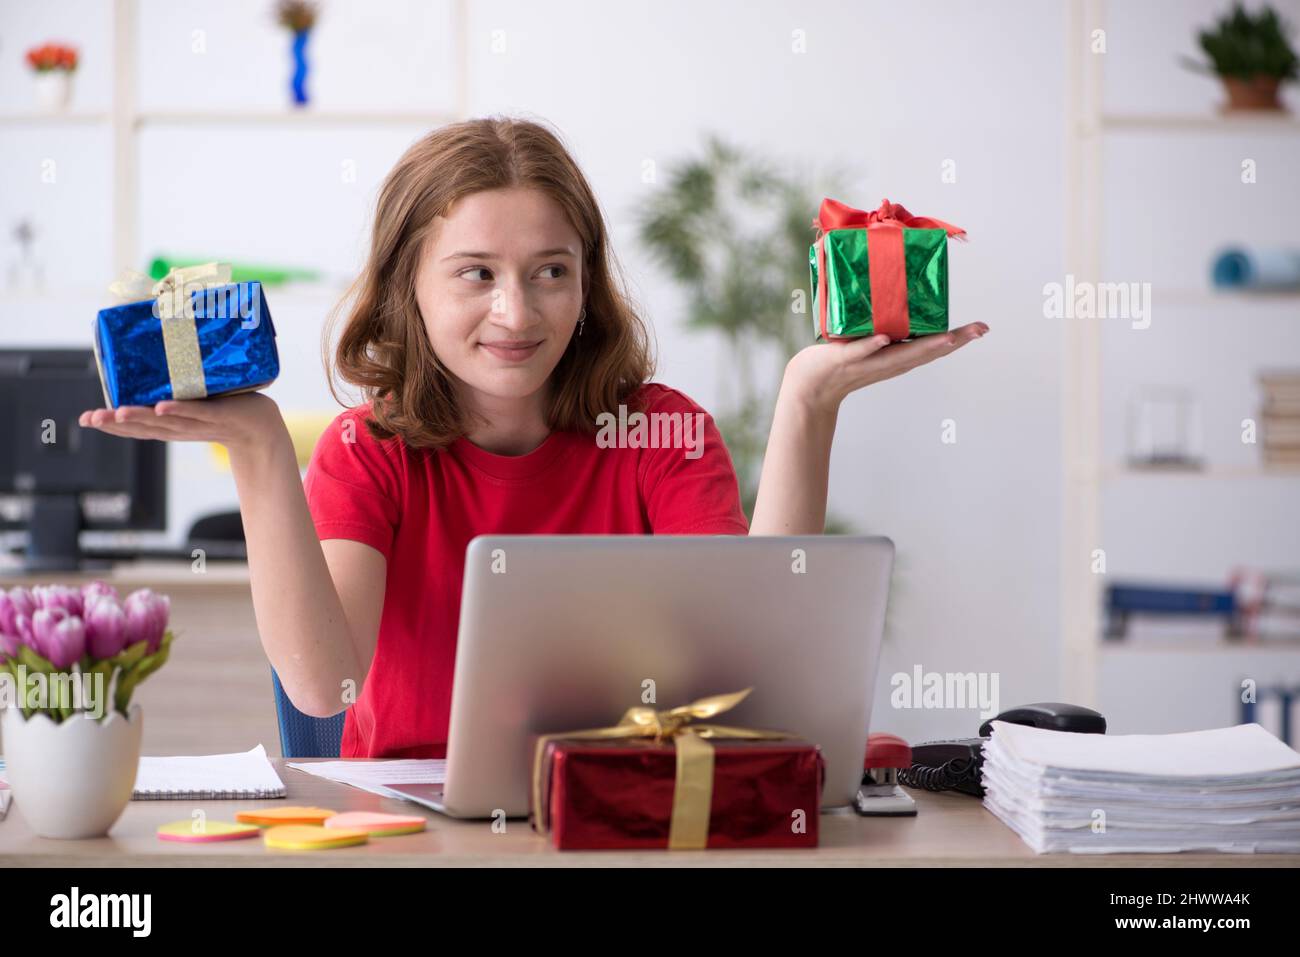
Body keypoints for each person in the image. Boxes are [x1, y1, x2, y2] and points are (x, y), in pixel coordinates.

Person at [80, 116, 987, 757]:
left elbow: (752, 665)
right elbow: (326, 692)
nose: (516, 312)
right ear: (410, 288)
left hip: (619, 813)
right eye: (476, 273)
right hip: (411, 831)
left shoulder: (662, 433)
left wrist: (806, 404)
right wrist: (261, 451)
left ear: (586, 282)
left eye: (550, 271)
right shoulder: (369, 451)